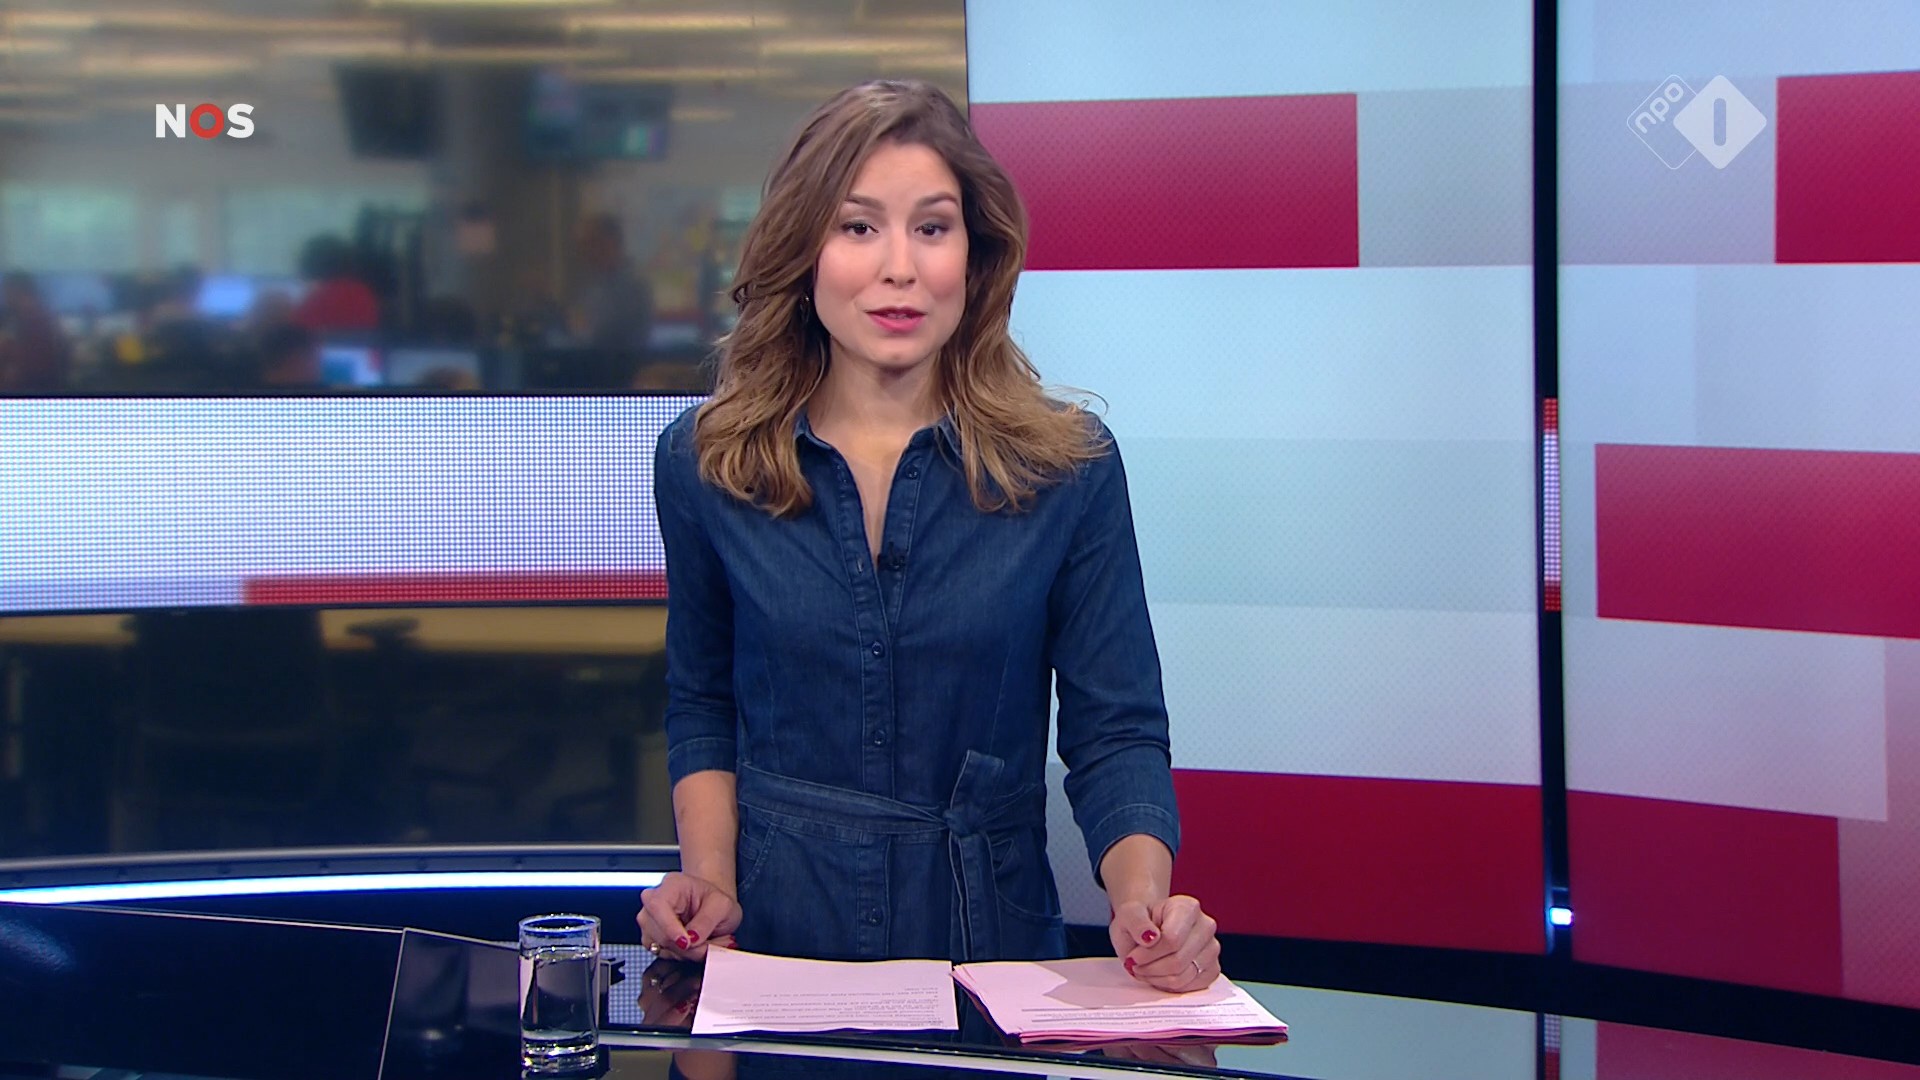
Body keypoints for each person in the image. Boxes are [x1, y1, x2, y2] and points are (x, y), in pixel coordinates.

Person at [639, 80, 1220, 992]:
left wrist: (1146, 907)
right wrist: (709, 882)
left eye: (933, 227)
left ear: (975, 255)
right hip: (778, 944)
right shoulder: (708, 461)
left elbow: (1116, 729)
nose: (899, 268)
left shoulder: (1069, 467)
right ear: (804, 248)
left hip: (991, 941)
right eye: (858, 226)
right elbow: (704, 701)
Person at [567, 211, 654, 352]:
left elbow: (607, 333)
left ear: (610, 243)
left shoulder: (634, 287)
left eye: (590, 243)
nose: (584, 253)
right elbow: (578, 329)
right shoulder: (590, 288)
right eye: (581, 246)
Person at [0, 271, 73, 391]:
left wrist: (6, 347)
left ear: (15, 291)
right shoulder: (29, 315)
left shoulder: (34, 317)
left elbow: (33, 362)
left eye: (6, 291)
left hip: (32, 388)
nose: (5, 297)